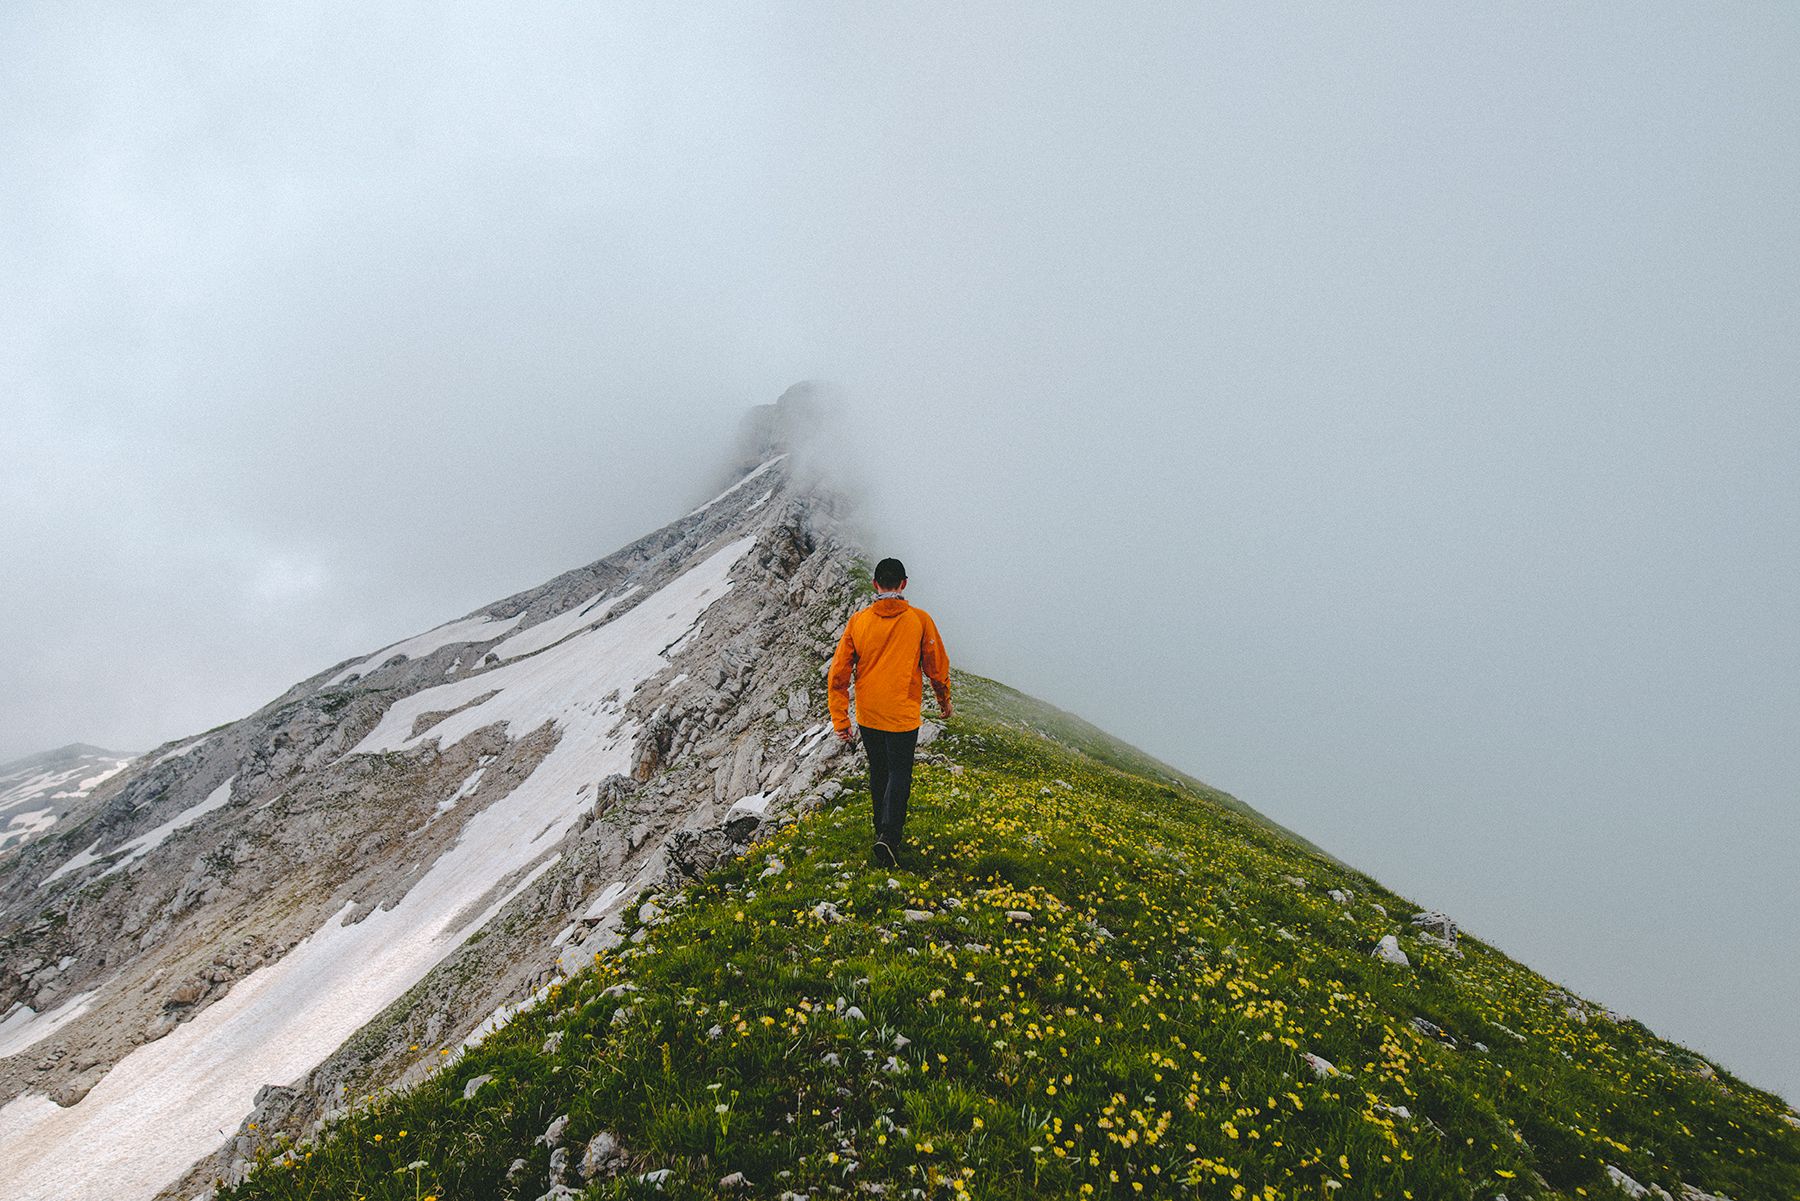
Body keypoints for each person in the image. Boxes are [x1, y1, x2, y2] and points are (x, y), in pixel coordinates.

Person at [828, 557, 953, 867]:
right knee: (899, 772)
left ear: (875, 585)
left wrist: (841, 719)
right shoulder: (920, 620)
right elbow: (936, 668)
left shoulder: (858, 621)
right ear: (904, 584)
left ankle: (879, 831)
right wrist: (944, 701)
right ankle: (889, 837)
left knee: (879, 771)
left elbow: (838, 674)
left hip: (868, 714)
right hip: (902, 713)